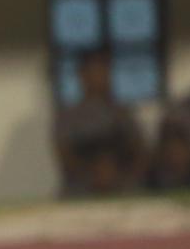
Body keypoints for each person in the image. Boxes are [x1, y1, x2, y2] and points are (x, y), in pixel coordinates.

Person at [52, 49, 148, 197]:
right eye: (93, 72)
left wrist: (119, 176)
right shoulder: (67, 116)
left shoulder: (122, 113)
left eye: (103, 71)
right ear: (82, 75)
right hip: (81, 189)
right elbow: (65, 157)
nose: (99, 77)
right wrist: (94, 175)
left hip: (122, 187)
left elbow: (140, 151)